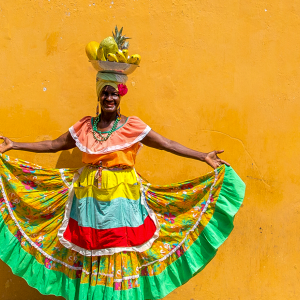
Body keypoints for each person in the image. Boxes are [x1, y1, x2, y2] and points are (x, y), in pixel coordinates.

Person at [0, 71, 245, 300]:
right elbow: (54, 145)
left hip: (122, 199)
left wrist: (203, 156)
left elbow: (166, 143)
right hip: (87, 201)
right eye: (105, 93)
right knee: (90, 252)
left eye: (114, 93)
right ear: (98, 96)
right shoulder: (85, 126)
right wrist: (14, 145)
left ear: (121, 96)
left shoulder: (133, 126)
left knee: (119, 250)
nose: (109, 98)